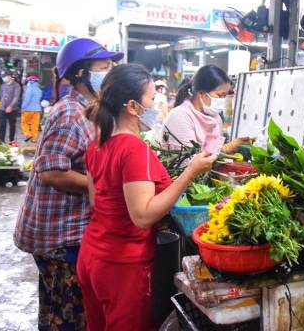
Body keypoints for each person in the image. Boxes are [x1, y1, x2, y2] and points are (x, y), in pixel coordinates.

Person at [77, 64, 216, 331]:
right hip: (121, 267)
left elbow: (97, 202)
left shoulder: (98, 142)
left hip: (92, 256)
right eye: (152, 99)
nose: (156, 106)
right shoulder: (133, 149)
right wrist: (190, 171)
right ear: (132, 106)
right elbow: (142, 216)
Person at [14, 38, 123, 330]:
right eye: (103, 67)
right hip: (59, 238)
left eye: (111, 66)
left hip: (69, 232)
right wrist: (99, 185)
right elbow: (51, 171)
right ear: (81, 74)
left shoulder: (90, 109)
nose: (109, 72)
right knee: (67, 316)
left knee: (59, 310)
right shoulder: (70, 112)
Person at [162, 65, 249, 153]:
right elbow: (188, 160)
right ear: (201, 94)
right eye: (220, 95)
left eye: (225, 96)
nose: (223, 100)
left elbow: (213, 152)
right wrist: (228, 148)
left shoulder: (215, 118)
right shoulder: (180, 117)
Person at [0, 70, 21, 143]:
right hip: (2, 108)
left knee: (12, 125)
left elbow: (16, 97)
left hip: (13, 109)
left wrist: (10, 106)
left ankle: (11, 140)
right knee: (2, 125)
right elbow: (1, 96)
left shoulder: (16, 86)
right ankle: (1, 141)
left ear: (9, 76)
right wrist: (2, 105)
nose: (3, 78)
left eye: (4, 77)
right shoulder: (2, 85)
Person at [21, 74, 43, 143]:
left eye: (28, 81)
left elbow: (27, 99)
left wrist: (23, 107)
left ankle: (28, 134)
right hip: (37, 109)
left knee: (24, 122)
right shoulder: (39, 90)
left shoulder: (29, 89)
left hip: (28, 109)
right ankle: (34, 138)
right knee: (35, 124)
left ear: (30, 81)